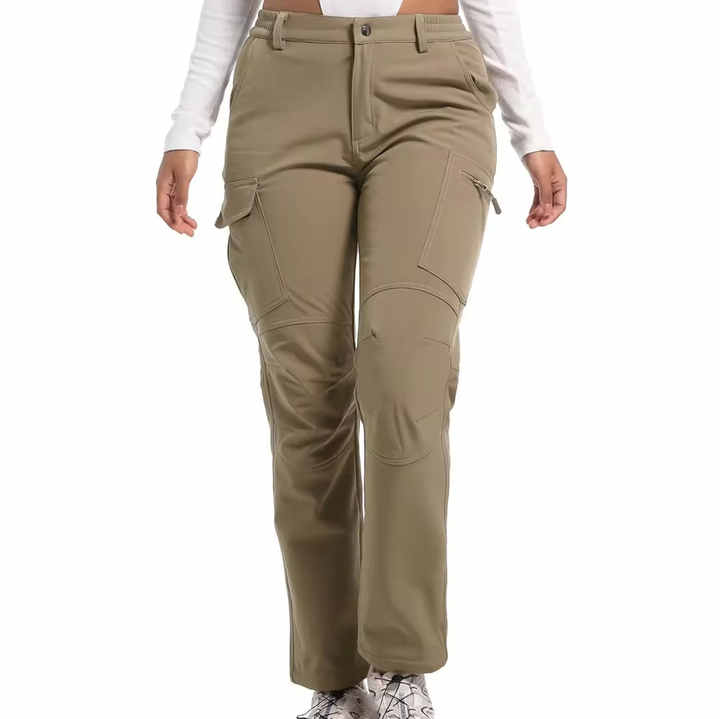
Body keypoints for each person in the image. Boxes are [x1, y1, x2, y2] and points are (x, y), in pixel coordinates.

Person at [156, 1, 566, 716]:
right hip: (285, 90)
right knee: (306, 391)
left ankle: (402, 667)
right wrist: (187, 126)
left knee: (407, 368)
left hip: (432, 90)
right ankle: (336, 679)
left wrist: (531, 128)